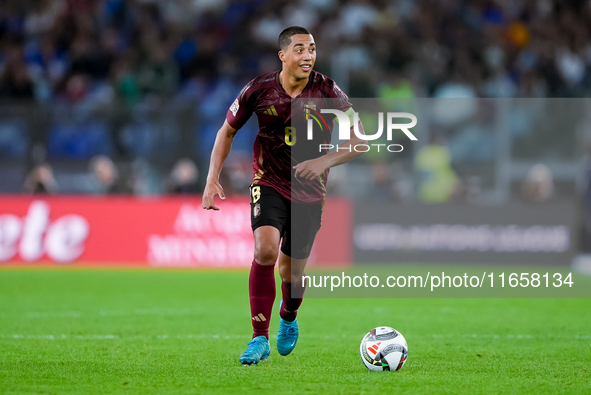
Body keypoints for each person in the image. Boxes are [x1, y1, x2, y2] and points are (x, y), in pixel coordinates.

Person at [202, 26, 365, 365]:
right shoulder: (258, 90)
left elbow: (360, 140)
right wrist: (211, 179)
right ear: (283, 55)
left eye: (312, 49)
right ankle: (258, 338)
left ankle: (288, 317)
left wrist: (324, 160)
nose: (308, 56)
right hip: (269, 181)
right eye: (301, 49)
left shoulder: (328, 90)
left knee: (291, 274)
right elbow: (227, 131)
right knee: (265, 250)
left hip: (309, 192)